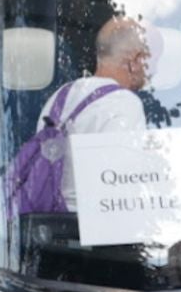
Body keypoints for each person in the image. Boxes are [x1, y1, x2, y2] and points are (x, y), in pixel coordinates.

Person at [28, 18, 150, 212]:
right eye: (147, 61)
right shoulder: (125, 103)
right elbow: (124, 186)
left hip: (49, 228)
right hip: (91, 230)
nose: (148, 71)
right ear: (136, 61)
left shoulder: (58, 97)